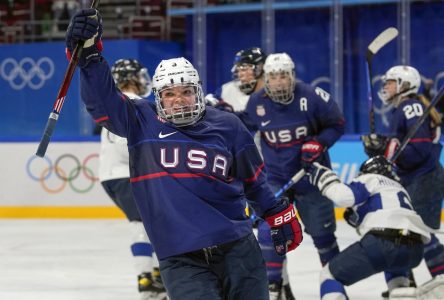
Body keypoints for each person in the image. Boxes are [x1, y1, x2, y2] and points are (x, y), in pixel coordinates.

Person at [66, 9, 302, 300]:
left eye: (186, 91)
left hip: (238, 249)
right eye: (169, 93)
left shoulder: (227, 125)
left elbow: (254, 182)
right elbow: (102, 102)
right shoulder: (141, 120)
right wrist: (89, 57)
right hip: (181, 258)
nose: (178, 99)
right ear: (158, 96)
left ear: (198, 92)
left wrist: (276, 212)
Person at [236, 52, 345, 299]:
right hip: (276, 178)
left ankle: (336, 284)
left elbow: (337, 124)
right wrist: (222, 114)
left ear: (292, 76)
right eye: (273, 77)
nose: (279, 82)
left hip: (312, 177)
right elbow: (243, 126)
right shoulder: (257, 102)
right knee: (269, 230)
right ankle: (273, 287)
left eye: (284, 76)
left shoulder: (313, 96)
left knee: (323, 236)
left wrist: (318, 142)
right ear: (267, 78)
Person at [362, 66, 444, 288]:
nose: (385, 86)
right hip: (418, 178)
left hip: (425, 178)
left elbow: (418, 151)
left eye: (390, 82)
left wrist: (386, 148)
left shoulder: (411, 107)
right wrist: (382, 150)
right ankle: (405, 282)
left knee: (419, 232)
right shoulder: (405, 108)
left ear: (404, 85)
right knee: (408, 231)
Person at [305, 156, 431, 299]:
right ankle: (403, 292)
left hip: (382, 243)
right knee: (395, 274)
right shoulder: (400, 189)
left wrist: (323, 176)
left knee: (329, 276)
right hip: (414, 249)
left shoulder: (372, 178)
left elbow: (343, 197)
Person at [98, 58, 167, 300]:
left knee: (152, 223)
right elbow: (126, 144)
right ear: (136, 79)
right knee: (144, 224)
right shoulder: (134, 103)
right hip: (128, 174)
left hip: (112, 176)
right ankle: (147, 280)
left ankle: (155, 276)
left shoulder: (115, 103)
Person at [205, 47, 266, 112]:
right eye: (238, 70)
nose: (240, 74)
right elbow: (212, 100)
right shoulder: (227, 89)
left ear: (259, 68)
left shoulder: (272, 91)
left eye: (244, 69)